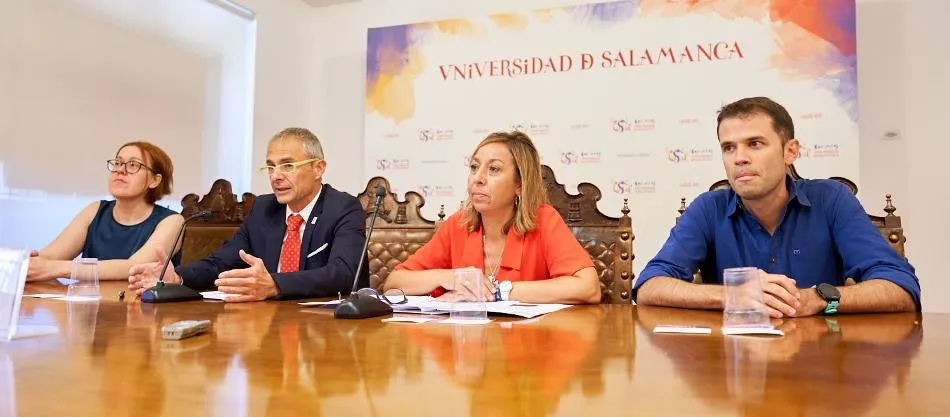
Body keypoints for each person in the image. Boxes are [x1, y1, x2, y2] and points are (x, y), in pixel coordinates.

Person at [633, 96, 921, 317]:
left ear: (790, 151)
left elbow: (901, 290)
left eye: (755, 144)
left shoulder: (831, 200)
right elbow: (649, 287)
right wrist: (731, 296)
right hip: (732, 371)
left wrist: (818, 300)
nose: (739, 158)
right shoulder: (709, 208)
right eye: (728, 147)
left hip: (821, 367)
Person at [127, 127, 368, 302]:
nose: (275, 176)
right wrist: (177, 277)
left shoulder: (343, 207)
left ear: (318, 168)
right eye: (270, 166)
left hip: (325, 330)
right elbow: (221, 262)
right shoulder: (264, 208)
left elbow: (344, 274)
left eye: (287, 166)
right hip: (266, 323)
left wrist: (274, 284)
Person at [383, 131, 601, 304]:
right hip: (470, 349)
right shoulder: (459, 224)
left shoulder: (543, 219)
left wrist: (499, 292)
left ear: (520, 184)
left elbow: (588, 288)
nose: (478, 178)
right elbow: (393, 283)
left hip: (530, 349)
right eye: (474, 167)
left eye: (494, 169)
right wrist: (448, 277)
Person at [26, 141, 183, 282]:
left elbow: (134, 266)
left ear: (155, 180)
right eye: (117, 163)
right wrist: (28, 263)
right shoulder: (94, 210)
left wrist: (58, 269)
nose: (120, 170)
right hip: (88, 308)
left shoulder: (172, 221)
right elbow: (49, 257)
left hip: (140, 309)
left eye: (133, 165)